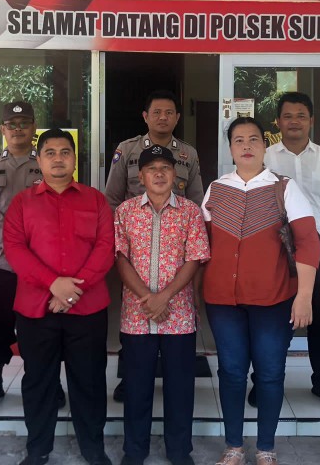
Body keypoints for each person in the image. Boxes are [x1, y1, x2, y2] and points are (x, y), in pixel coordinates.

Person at [201, 117, 320, 465]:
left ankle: (266, 448)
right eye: (239, 140)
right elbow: (201, 245)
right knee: (231, 372)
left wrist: (304, 296)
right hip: (223, 301)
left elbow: (308, 243)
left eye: (253, 139)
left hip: (273, 300)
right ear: (230, 149)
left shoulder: (283, 188)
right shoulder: (216, 189)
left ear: (265, 146)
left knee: (269, 374)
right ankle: (234, 446)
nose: (247, 146)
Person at [4, 128, 115, 465]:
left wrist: (70, 291)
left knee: (89, 382)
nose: (58, 158)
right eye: (50, 153)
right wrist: (54, 284)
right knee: (39, 382)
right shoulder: (22, 203)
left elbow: (105, 247)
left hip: (88, 308)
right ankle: (38, 450)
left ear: (74, 159)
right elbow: (15, 249)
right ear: (38, 160)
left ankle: (93, 448)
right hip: (37, 310)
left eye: (65, 152)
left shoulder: (96, 200)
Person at [105, 89, 204, 403]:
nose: (163, 117)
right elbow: (112, 198)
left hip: (177, 245)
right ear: (145, 116)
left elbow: (197, 201)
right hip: (135, 246)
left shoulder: (188, 153)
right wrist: (121, 238)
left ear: (177, 117)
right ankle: (129, 378)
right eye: (157, 112)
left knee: (178, 339)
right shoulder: (127, 149)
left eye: (169, 112)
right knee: (133, 324)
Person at [114, 145, 211, 465]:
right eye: (151, 169)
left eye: (165, 168)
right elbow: (120, 258)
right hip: (137, 316)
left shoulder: (190, 212)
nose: (158, 174)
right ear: (140, 177)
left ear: (176, 175)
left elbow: (195, 258)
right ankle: (135, 450)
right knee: (136, 387)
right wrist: (148, 297)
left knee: (180, 389)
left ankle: (179, 451)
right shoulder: (125, 211)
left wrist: (164, 297)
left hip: (178, 316)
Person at [0, 101, 65, 411]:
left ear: (33, 128)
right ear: (2, 129)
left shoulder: (46, 162)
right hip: (0, 261)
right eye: (11, 124)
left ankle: (50, 384)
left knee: (43, 329)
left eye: (24, 123)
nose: (17, 129)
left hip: (40, 264)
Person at [261, 92, 320, 409]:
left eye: (301, 116)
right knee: (272, 319)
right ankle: (265, 383)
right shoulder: (265, 159)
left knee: (319, 319)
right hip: (275, 248)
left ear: (311, 121)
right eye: (288, 116)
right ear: (278, 122)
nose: (294, 122)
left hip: (316, 247)